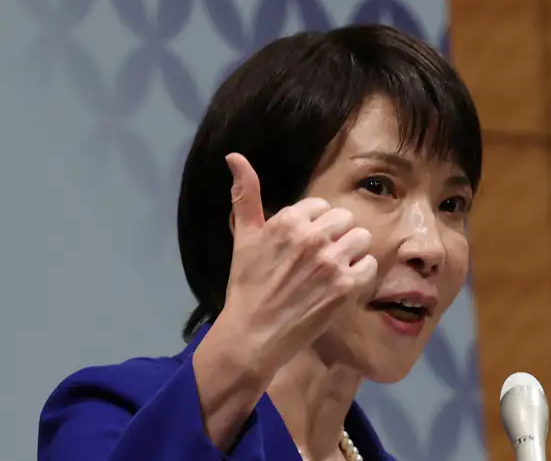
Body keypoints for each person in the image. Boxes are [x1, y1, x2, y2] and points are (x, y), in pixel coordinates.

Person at [37, 24, 482, 461]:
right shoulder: (110, 414)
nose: (431, 247)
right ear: (258, 218)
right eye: (379, 185)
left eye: (451, 203)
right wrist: (243, 351)